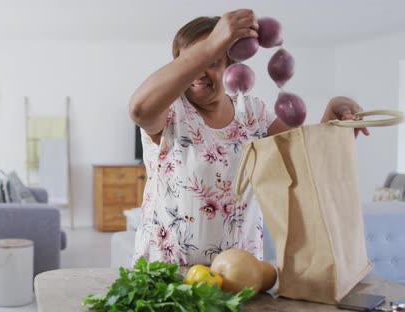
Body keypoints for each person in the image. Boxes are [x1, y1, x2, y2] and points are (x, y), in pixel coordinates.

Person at [129, 9, 369, 266]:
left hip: (239, 275)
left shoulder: (253, 113)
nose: (198, 73)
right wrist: (211, 46)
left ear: (230, 65)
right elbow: (139, 110)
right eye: (191, 63)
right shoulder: (170, 112)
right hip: (167, 274)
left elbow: (307, 161)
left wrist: (332, 120)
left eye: (212, 62)